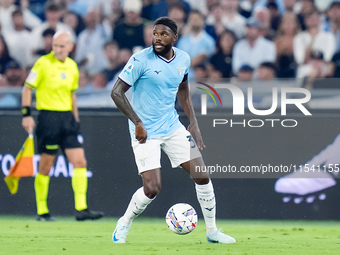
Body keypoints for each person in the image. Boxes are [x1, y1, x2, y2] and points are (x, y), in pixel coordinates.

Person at [110, 16, 236, 244]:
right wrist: (137, 122)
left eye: (163, 34)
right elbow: (116, 93)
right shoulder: (140, 60)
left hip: (172, 127)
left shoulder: (184, 59)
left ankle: (212, 231)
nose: (157, 38)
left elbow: (183, 88)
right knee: (152, 188)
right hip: (145, 131)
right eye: (155, 34)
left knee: (203, 176)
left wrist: (193, 122)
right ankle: (125, 221)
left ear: (174, 38)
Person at [21, 30, 104, 222]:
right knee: (46, 166)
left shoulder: (72, 66)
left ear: (70, 47)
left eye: (61, 46)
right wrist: (26, 114)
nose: (57, 49)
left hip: (67, 119)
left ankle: (82, 209)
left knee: (80, 162)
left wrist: (75, 118)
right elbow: (27, 88)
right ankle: (42, 211)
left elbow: (72, 94)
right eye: (55, 46)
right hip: (48, 117)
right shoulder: (42, 63)